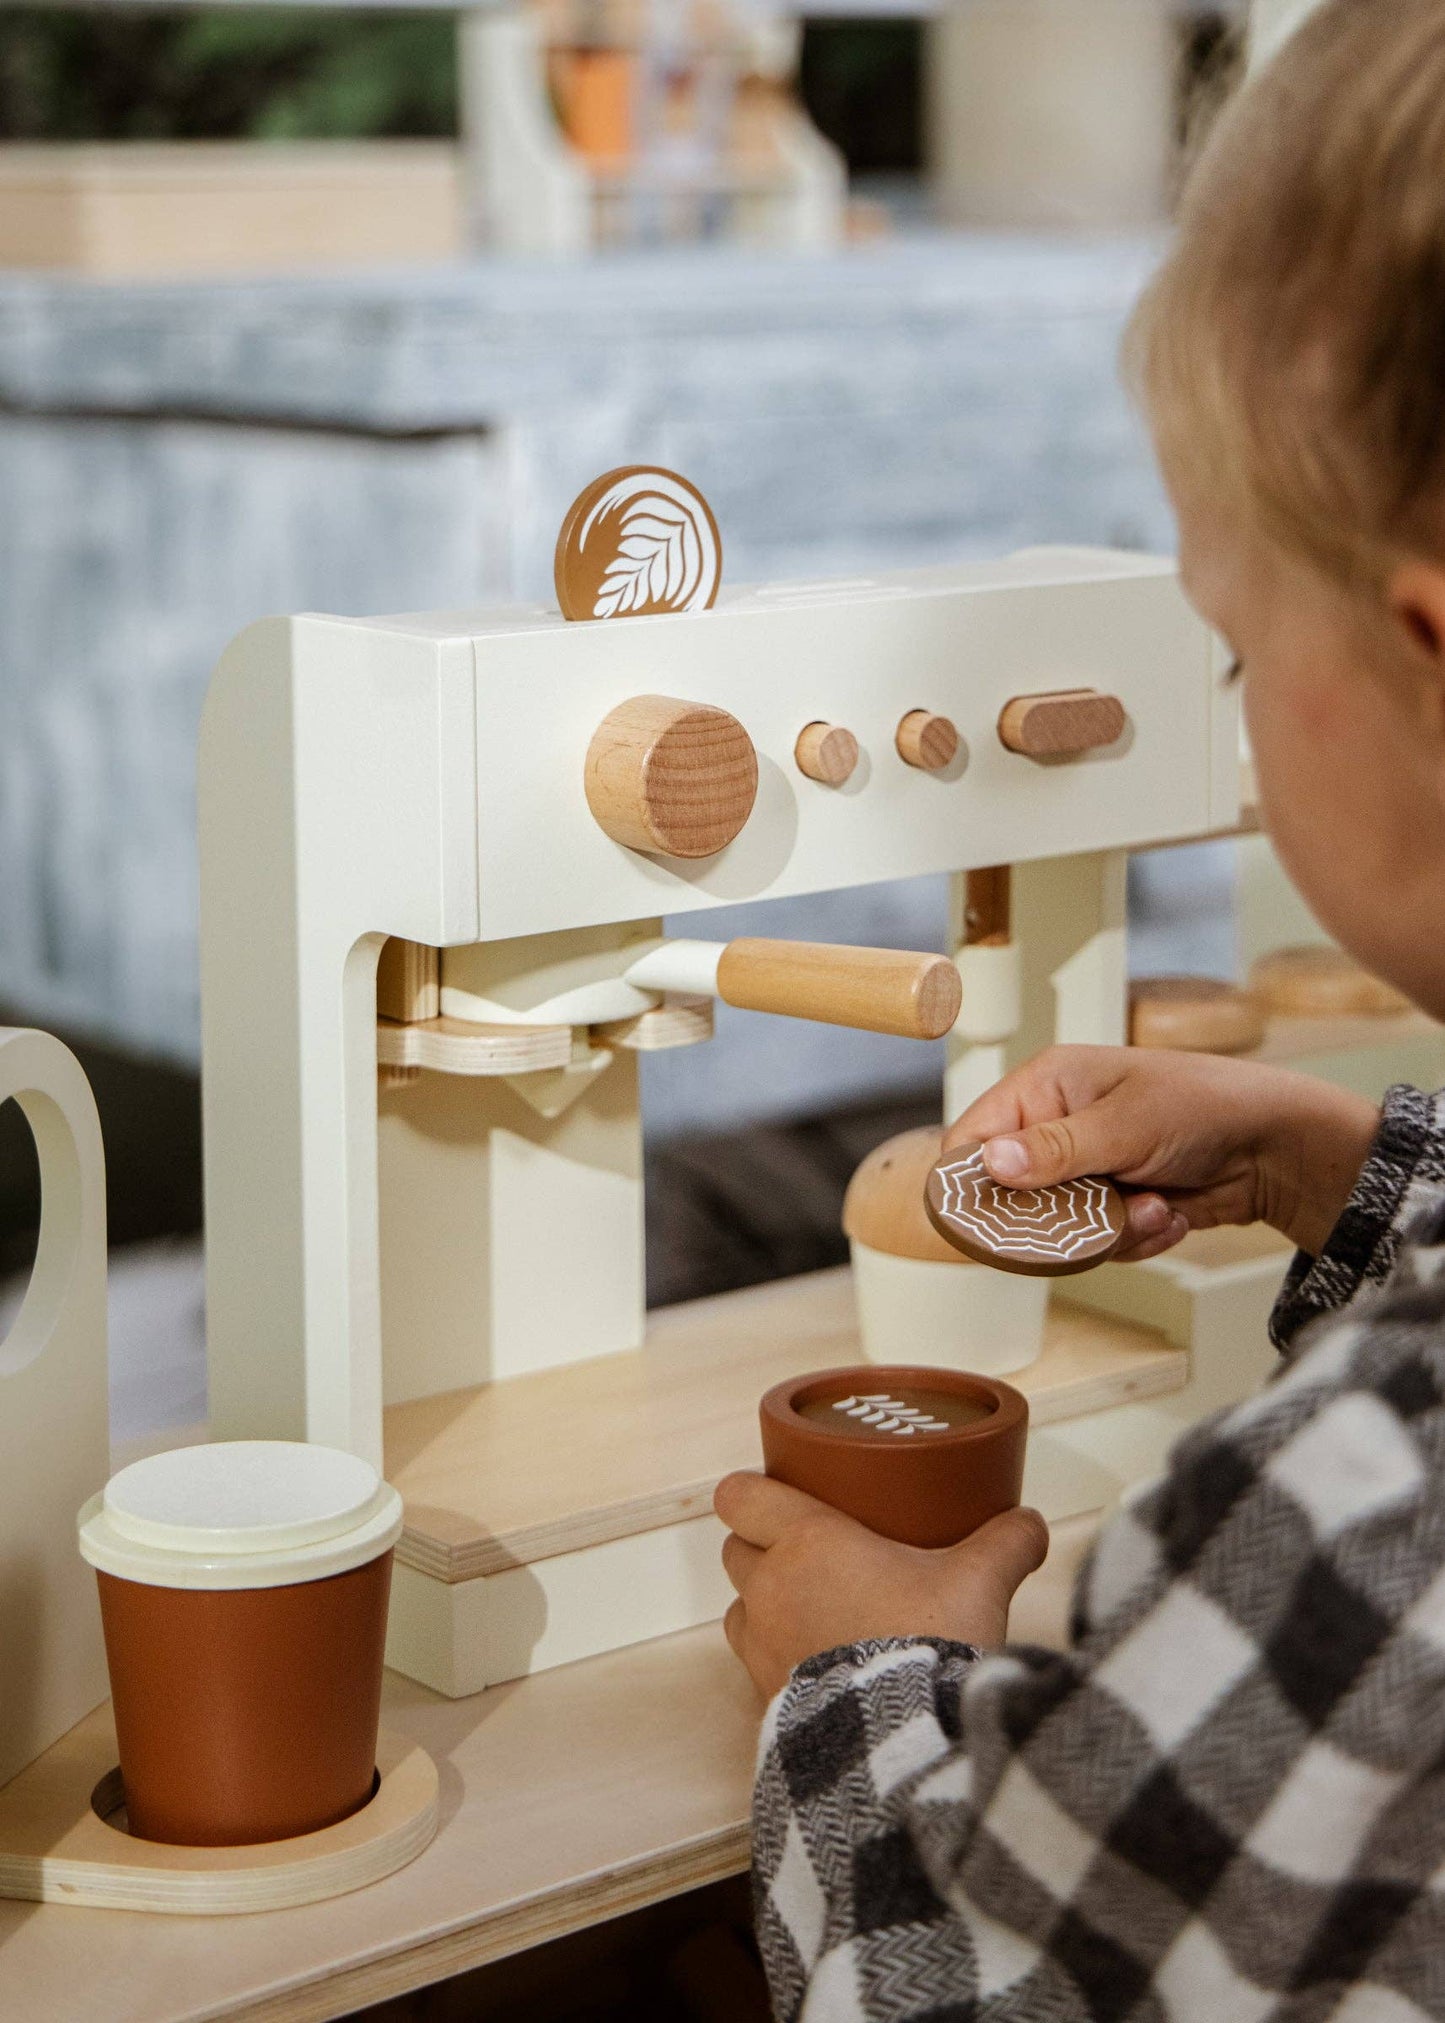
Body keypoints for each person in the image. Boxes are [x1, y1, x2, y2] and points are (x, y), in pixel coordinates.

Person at [715, 3, 1445, 2014]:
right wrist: (1339, 1162)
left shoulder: (1363, 1509)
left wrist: (857, 1673)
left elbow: (951, 1978)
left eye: (1234, 650)